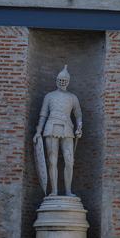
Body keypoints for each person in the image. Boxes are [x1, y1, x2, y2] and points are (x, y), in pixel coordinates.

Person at [33, 65, 83, 196]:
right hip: (51, 127)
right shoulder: (49, 96)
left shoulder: (73, 97)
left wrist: (79, 126)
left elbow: (78, 115)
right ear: (57, 80)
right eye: (60, 80)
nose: (62, 83)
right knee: (52, 160)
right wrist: (39, 130)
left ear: (68, 81)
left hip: (67, 128)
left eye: (64, 81)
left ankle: (68, 191)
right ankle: (54, 191)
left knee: (69, 161)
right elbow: (43, 114)